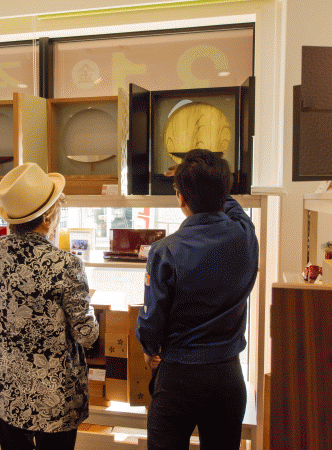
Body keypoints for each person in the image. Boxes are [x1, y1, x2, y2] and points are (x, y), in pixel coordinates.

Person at [136, 149, 259, 450]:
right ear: (224, 192)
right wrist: (208, 182)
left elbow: (153, 318)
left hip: (178, 376)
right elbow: (231, 207)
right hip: (228, 375)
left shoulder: (165, 250)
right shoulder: (244, 235)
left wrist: (149, 349)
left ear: (180, 198)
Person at [0, 162, 99, 450]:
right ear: (47, 218)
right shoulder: (66, 264)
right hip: (54, 396)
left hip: (7, 388)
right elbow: (86, 334)